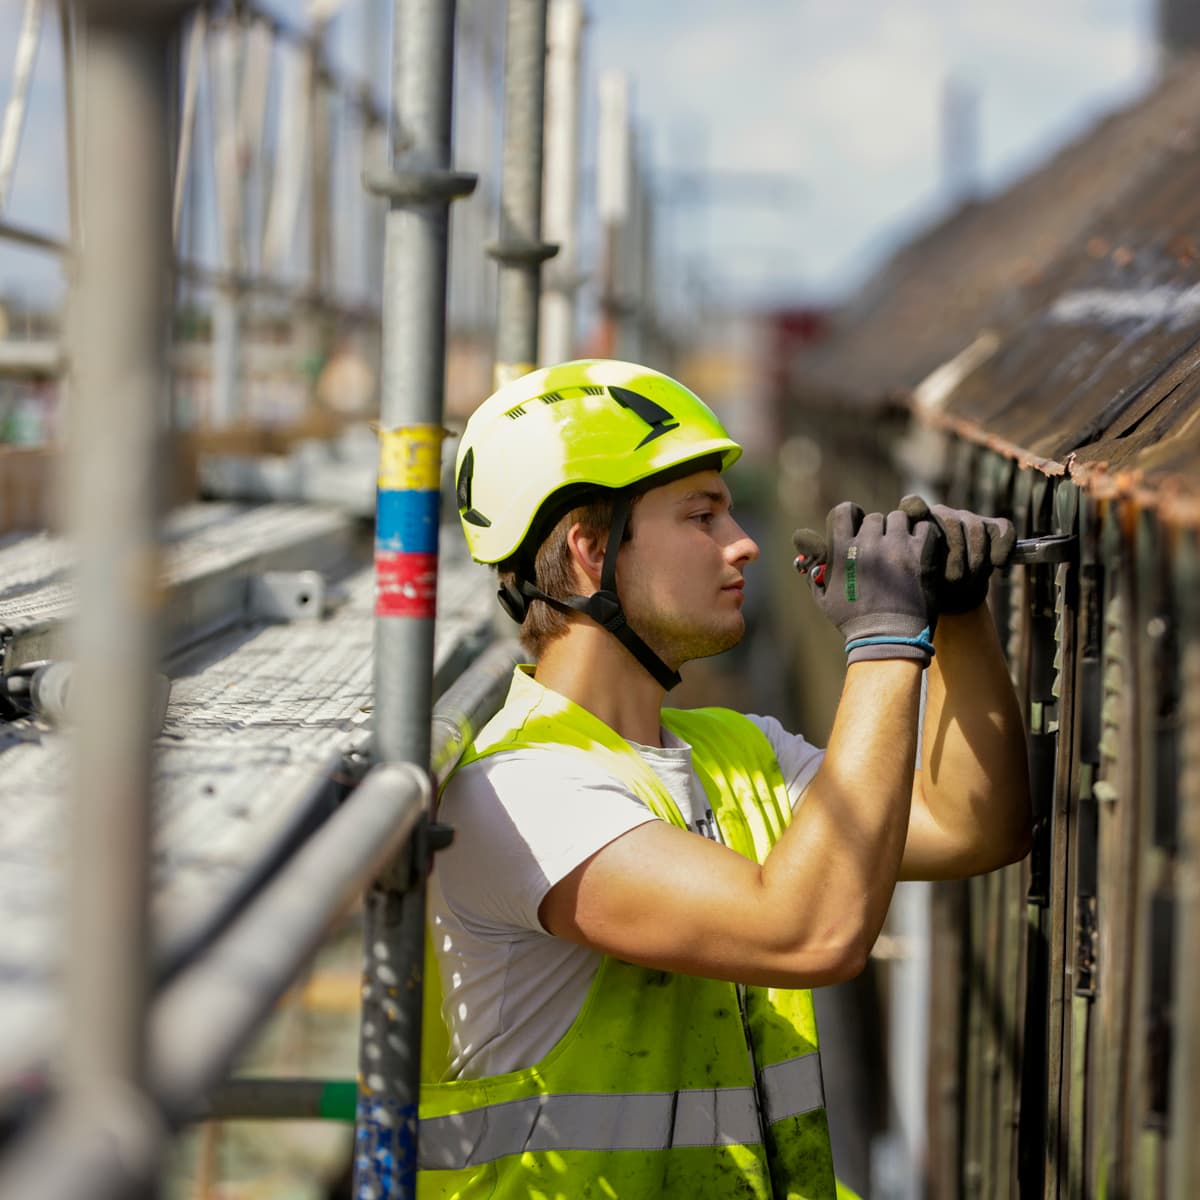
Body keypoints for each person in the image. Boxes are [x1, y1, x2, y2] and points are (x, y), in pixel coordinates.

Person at [417, 359, 1032, 1199]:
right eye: (702, 515)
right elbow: (807, 934)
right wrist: (886, 640)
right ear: (592, 554)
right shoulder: (517, 796)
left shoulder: (734, 750)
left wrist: (957, 618)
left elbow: (968, 827)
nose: (741, 540)